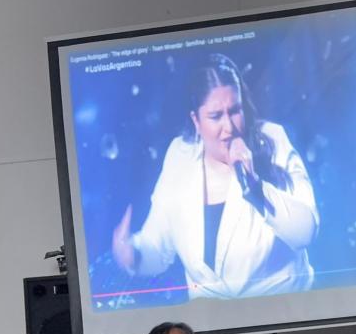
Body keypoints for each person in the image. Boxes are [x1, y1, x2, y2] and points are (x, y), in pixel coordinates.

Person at [111, 52, 319, 299]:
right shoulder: (180, 154)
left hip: (284, 316)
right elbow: (159, 245)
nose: (229, 127)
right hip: (210, 327)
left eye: (235, 111)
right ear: (196, 121)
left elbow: (306, 231)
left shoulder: (272, 140)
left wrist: (255, 187)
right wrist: (133, 254)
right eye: (215, 116)